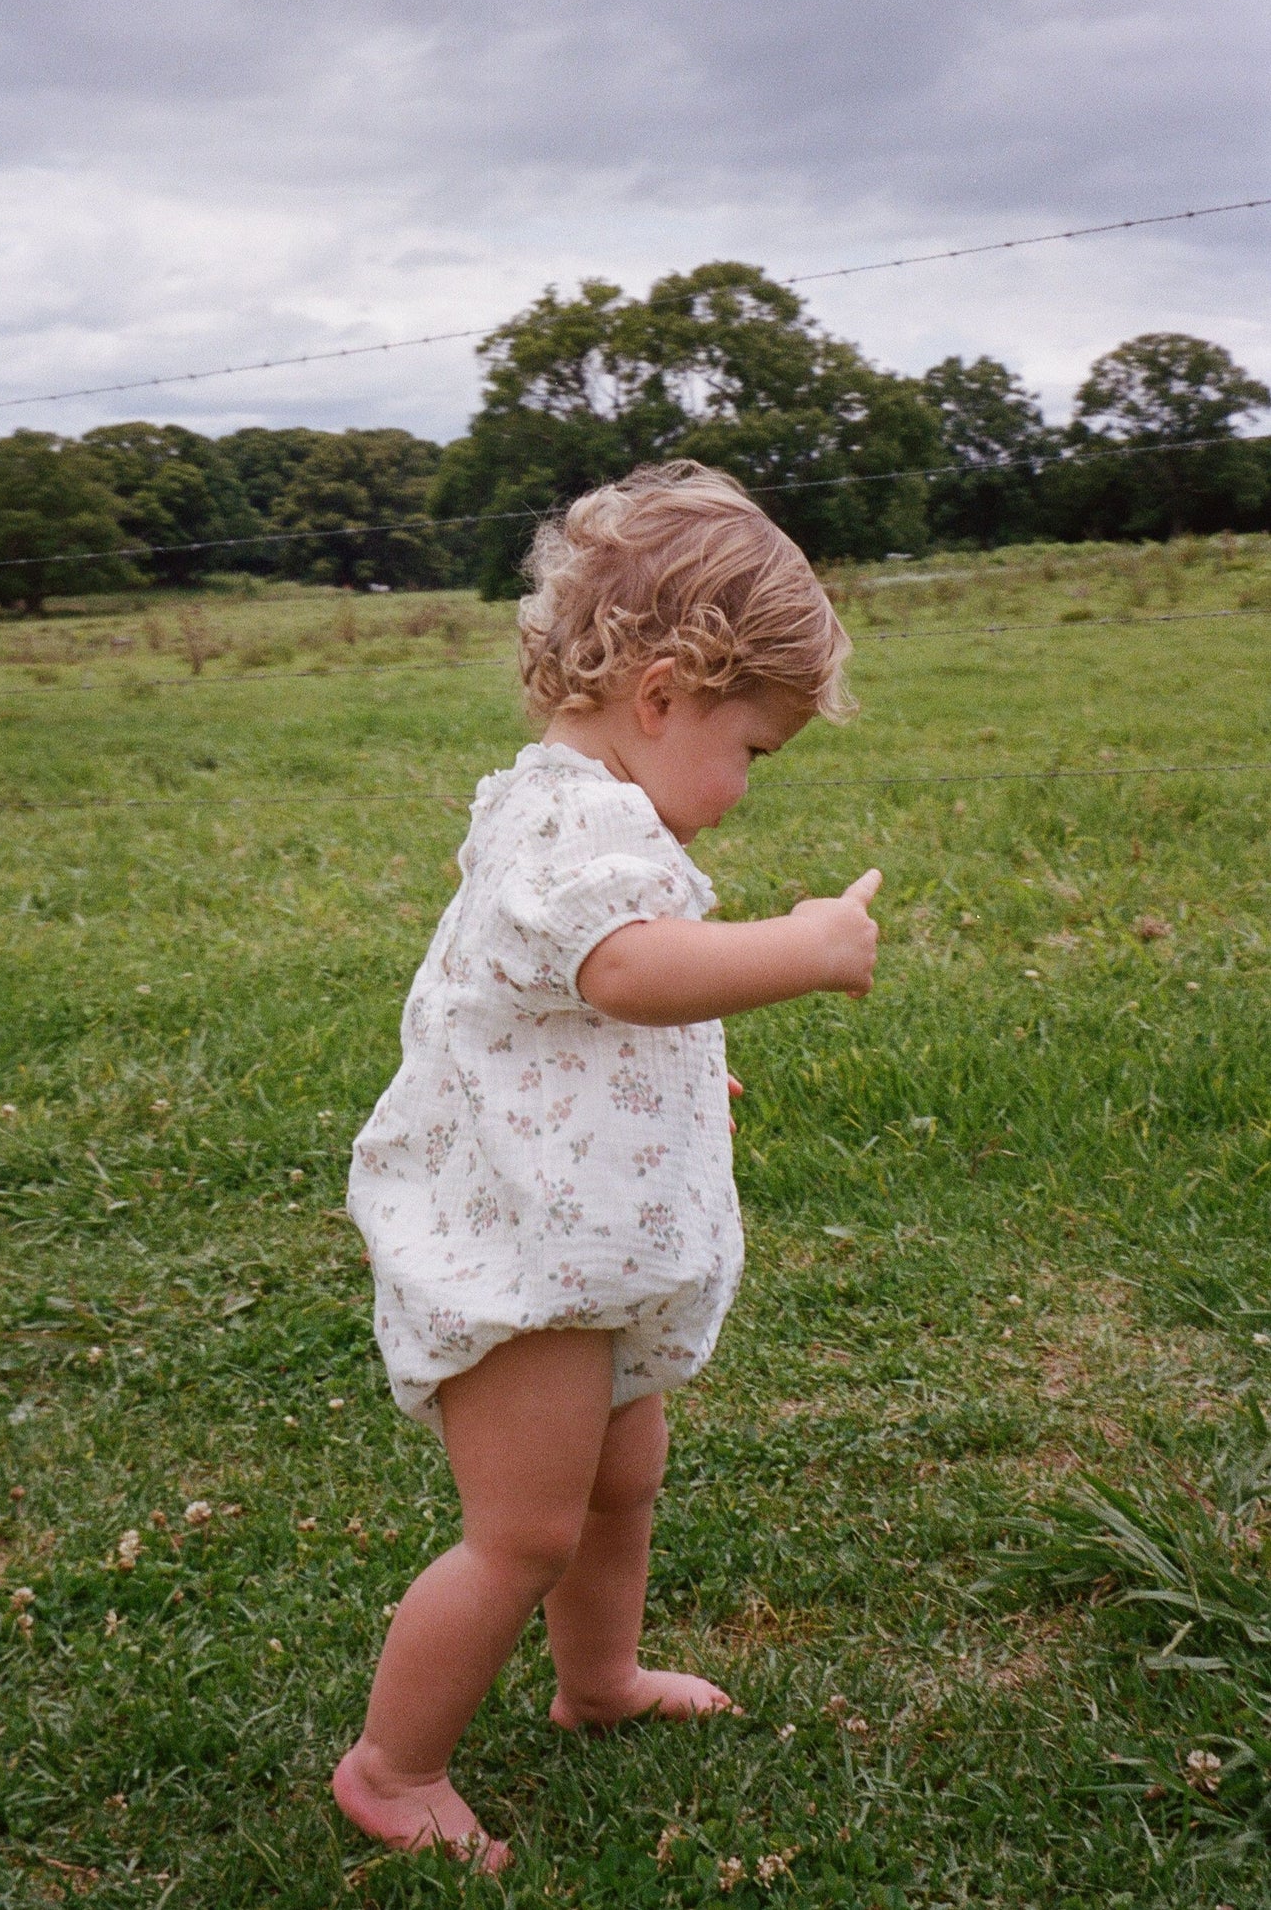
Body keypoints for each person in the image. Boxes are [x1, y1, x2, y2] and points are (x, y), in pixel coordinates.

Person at [333, 460, 881, 1870]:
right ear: (660, 696)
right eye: (750, 749)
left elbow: (571, 1012)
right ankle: (394, 1771)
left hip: (586, 1237)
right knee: (520, 1532)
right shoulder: (572, 821)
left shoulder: (582, 810)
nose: (745, 788)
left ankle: (598, 1683)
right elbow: (628, 969)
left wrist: (679, 1079)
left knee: (618, 1485)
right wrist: (806, 949)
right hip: (520, 1257)